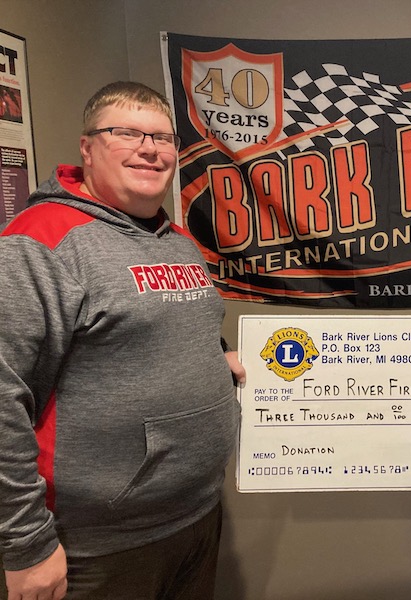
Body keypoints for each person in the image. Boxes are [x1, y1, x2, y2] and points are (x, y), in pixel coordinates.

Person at [0, 81, 244, 600]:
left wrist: (218, 355)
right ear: (87, 148)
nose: (150, 149)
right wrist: (25, 545)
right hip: (97, 548)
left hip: (194, 517)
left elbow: (174, 324)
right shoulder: (40, 242)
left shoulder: (176, 241)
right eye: (126, 133)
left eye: (162, 138)